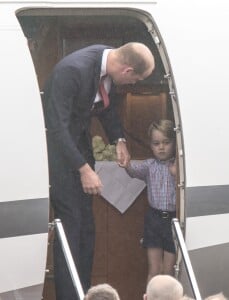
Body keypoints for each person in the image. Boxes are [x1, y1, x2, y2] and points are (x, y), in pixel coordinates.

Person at [42, 42, 155, 300]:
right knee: (70, 228)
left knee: (86, 229)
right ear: (126, 71)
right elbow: (56, 128)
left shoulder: (108, 62)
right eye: (136, 79)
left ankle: (85, 292)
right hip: (61, 156)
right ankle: (69, 296)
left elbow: (105, 108)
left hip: (79, 149)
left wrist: (119, 140)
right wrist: (83, 169)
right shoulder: (72, 71)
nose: (133, 85)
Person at [121, 119, 177, 282]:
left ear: (174, 143)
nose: (161, 147)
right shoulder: (149, 165)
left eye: (166, 142)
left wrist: (176, 172)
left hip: (173, 219)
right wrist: (126, 164)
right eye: (156, 143)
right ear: (150, 145)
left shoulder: (178, 166)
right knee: (154, 269)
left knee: (168, 271)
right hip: (154, 219)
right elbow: (133, 170)